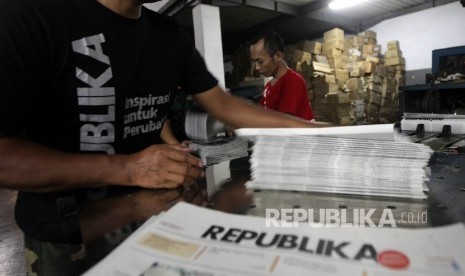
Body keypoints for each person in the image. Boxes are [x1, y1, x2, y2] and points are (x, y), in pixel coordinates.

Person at [0, 0, 328, 274]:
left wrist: (313, 131)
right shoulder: (32, 15)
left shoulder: (168, 35)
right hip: (70, 236)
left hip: (154, 217)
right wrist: (128, 169)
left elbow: (221, 103)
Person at [249, 30, 315, 120]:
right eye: (254, 62)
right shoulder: (269, 86)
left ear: (278, 56)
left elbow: (283, 122)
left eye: (260, 61)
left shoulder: (293, 81)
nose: (256, 67)